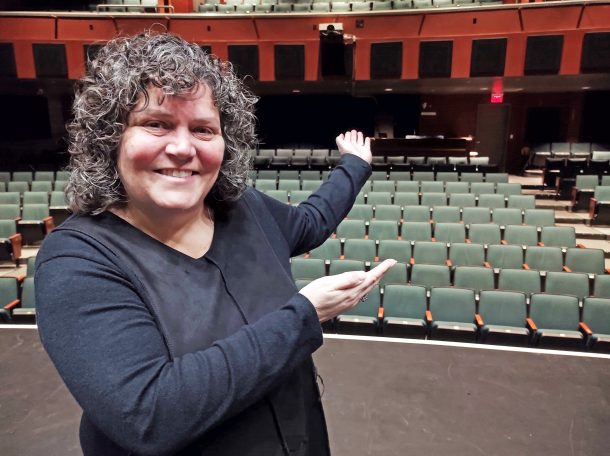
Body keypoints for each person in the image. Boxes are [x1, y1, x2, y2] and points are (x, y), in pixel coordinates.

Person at [35, 32, 395, 456]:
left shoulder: (247, 209)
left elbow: (312, 222)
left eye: (204, 129)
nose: (183, 147)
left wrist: (354, 166)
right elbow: (150, 416)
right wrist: (304, 315)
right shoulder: (76, 261)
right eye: (157, 124)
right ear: (110, 139)